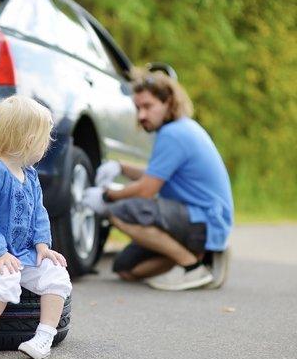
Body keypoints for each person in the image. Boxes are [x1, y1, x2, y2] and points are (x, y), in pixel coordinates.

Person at [82, 70, 233, 291]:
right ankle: (203, 255)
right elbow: (154, 174)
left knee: (116, 210)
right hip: (198, 219)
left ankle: (193, 267)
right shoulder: (182, 129)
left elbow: (146, 190)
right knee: (125, 269)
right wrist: (120, 167)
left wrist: (106, 195)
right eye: (138, 108)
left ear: (168, 102)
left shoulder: (174, 134)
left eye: (148, 106)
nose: (141, 115)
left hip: (203, 218)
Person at [0, 96, 72, 359]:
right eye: (44, 139)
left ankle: (44, 336)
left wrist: (42, 246)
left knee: (57, 275)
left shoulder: (29, 173)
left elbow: (39, 214)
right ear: (28, 139)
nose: (46, 146)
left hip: (23, 253)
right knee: (4, 278)